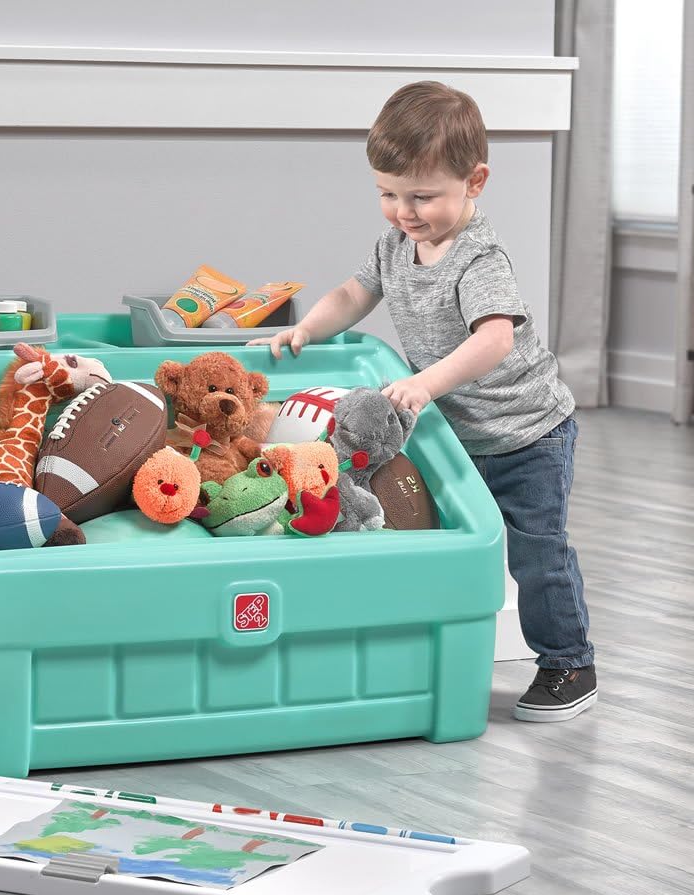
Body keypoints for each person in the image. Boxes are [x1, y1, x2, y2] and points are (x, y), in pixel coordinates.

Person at [248, 81, 596, 722]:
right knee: (438, 536)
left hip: (525, 435)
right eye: (388, 194)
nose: (403, 212)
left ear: (475, 181)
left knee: (536, 552)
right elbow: (353, 294)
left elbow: (494, 339)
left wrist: (426, 383)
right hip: (453, 434)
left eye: (422, 197)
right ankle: (430, 646)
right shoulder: (395, 247)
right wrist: (308, 330)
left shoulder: (479, 258)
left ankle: (568, 662)